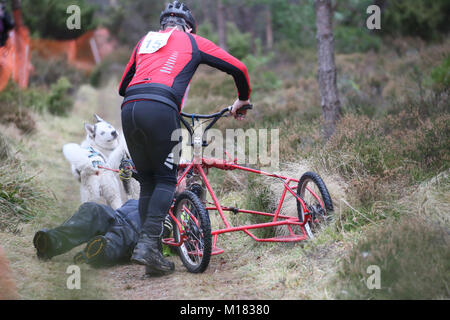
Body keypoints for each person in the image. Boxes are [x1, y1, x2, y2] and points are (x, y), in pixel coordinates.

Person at [119, 1, 251, 275]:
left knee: (147, 181)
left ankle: (152, 254)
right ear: (189, 26)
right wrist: (242, 100)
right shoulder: (193, 41)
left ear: (162, 25)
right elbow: (239, 68)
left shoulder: (146, 40)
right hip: (160, 108)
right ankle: (147, 246)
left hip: (129, 108)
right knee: (167, 179)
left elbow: (122, 86)